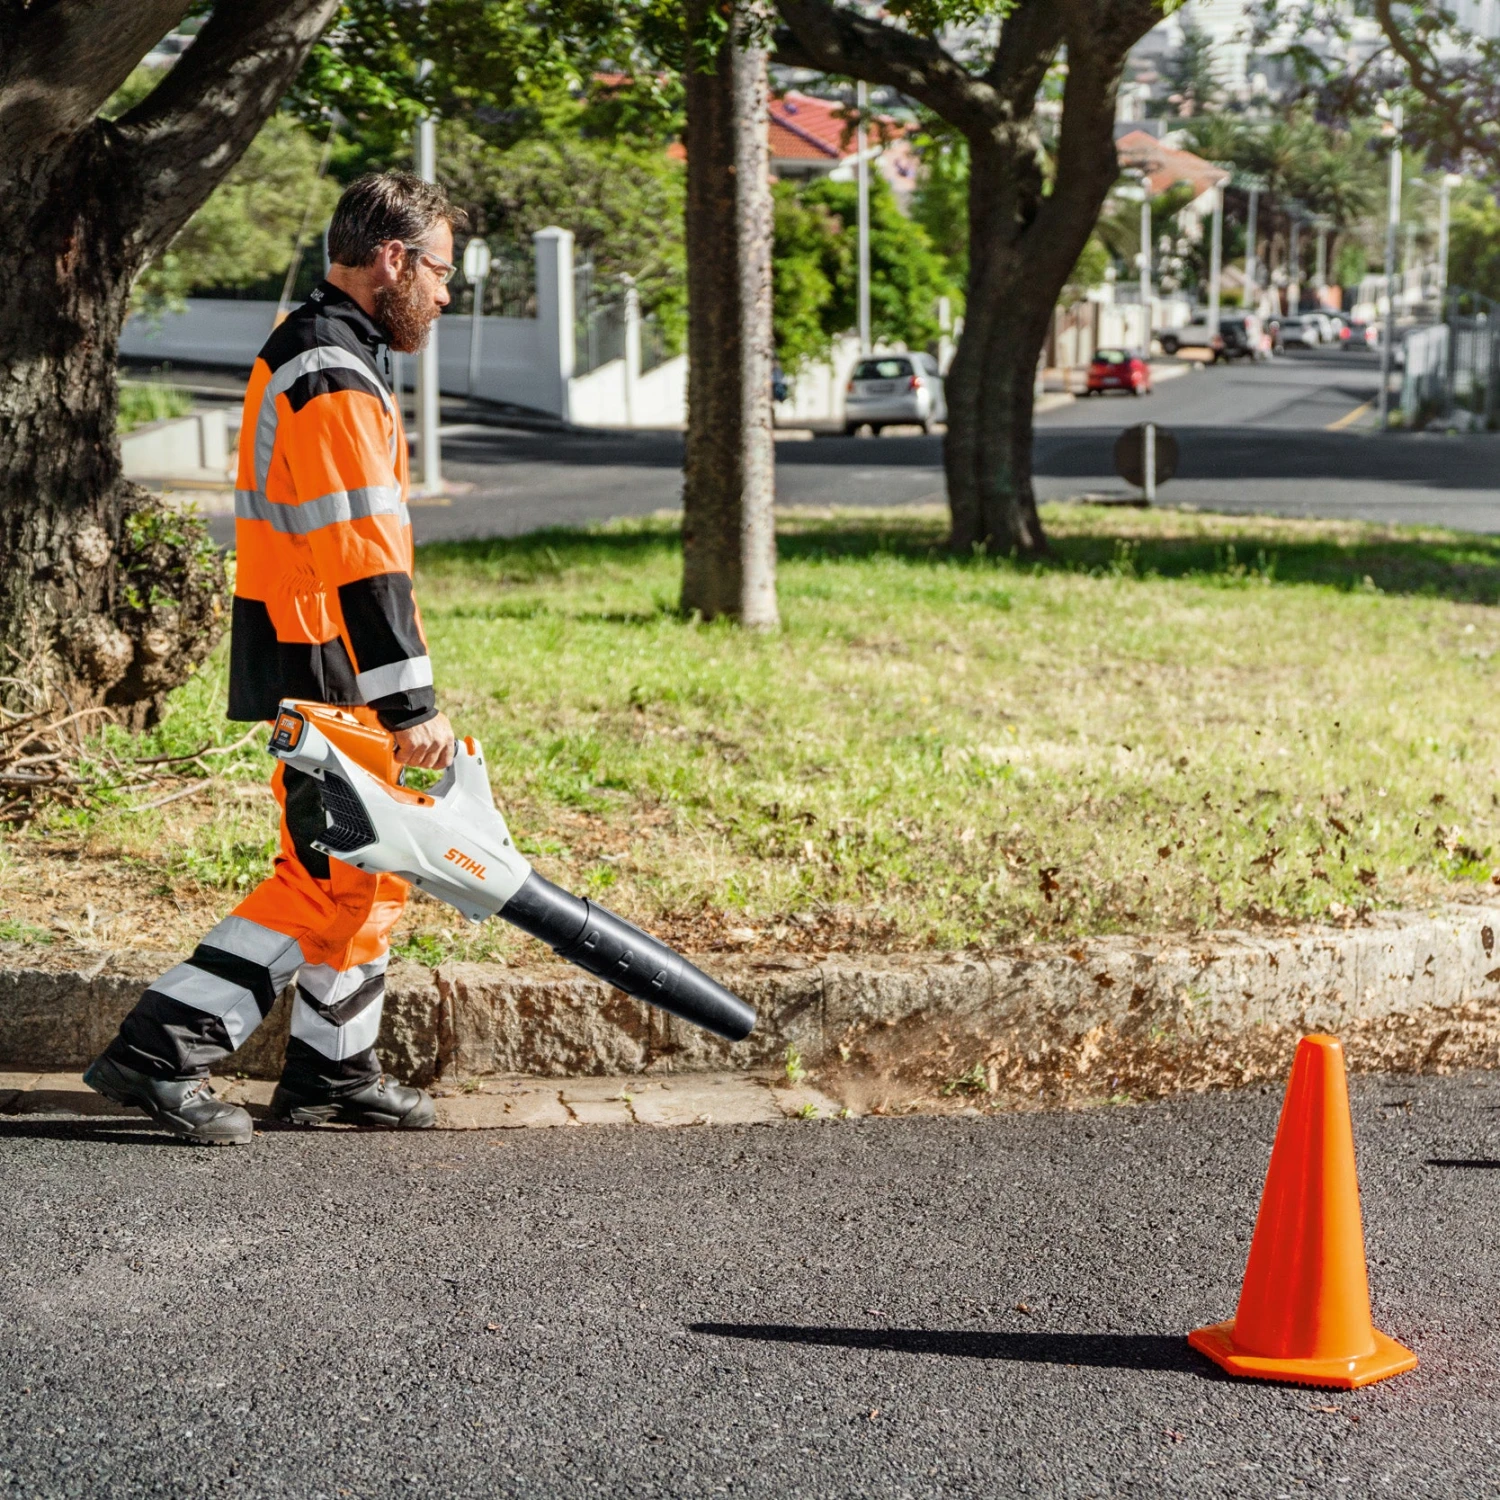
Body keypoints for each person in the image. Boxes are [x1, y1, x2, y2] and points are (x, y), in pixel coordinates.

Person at [84, 172, 465, 1145]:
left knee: (363, 872)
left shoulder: (328, 352)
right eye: (441, 271)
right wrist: (410, 701)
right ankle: (157, 1053)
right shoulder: (329, 369)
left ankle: (333, 1075)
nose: (446, 294)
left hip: (320, 654)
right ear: (392, 260)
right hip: (326, 660)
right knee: (326, 879)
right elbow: (361, 551)